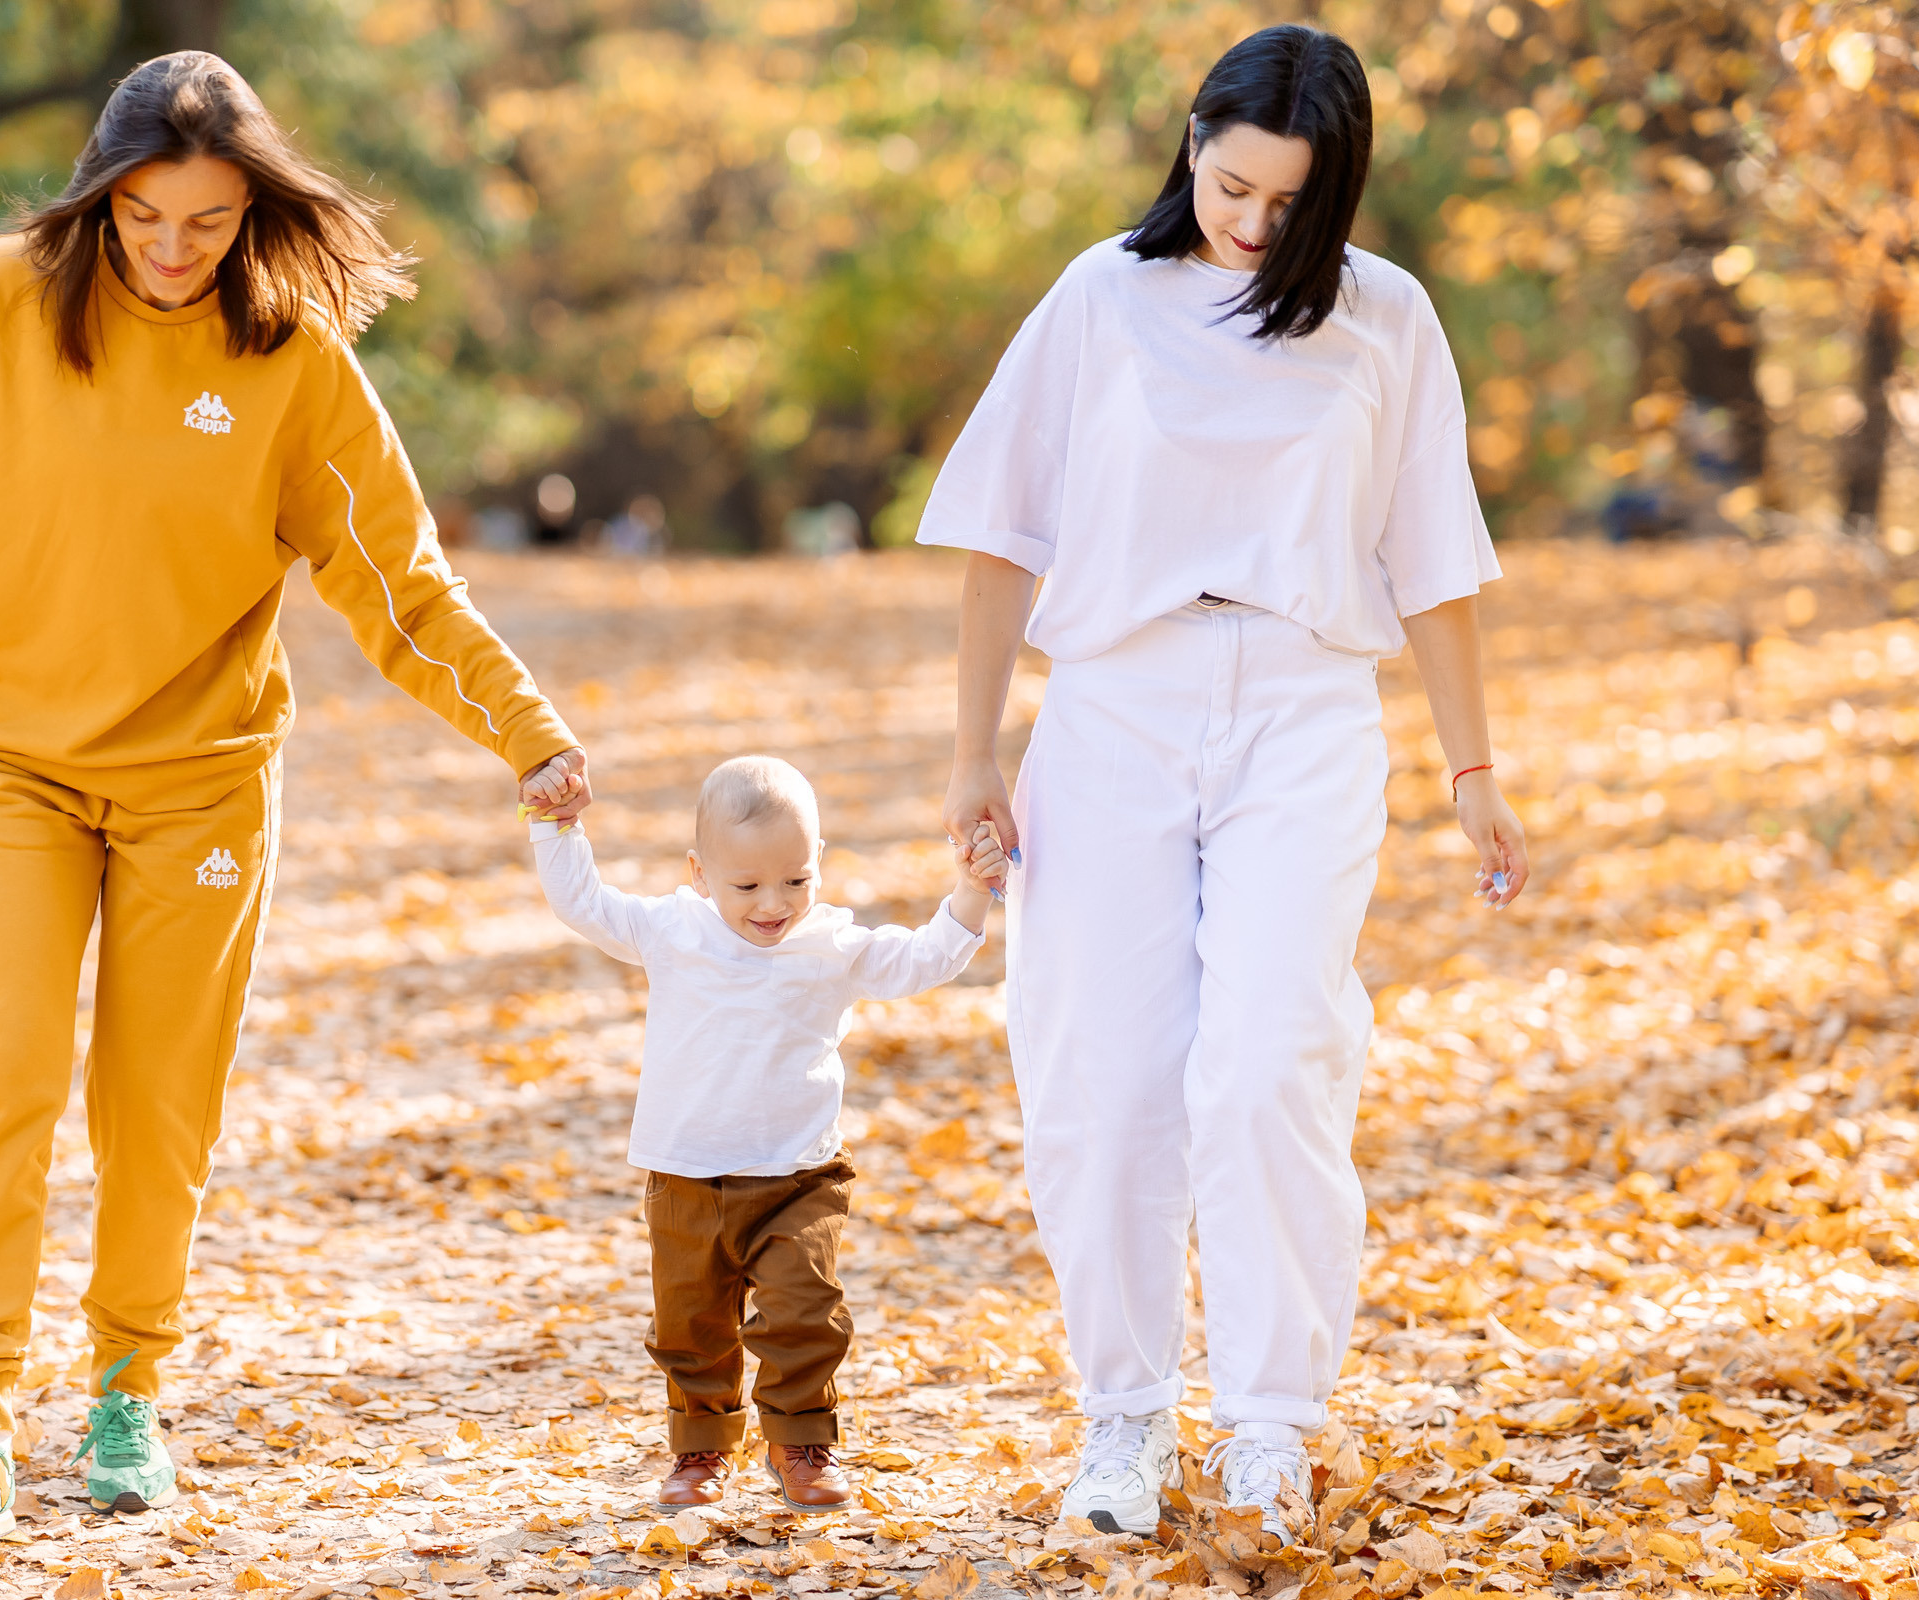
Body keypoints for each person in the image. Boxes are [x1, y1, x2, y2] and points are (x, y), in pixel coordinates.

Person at [0, 52, 591, 1552]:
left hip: (201, 784)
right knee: (5, 1071)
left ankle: (127, 1384)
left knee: (156, 1105)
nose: (175, 250)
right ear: (102, 195)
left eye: (210, 220)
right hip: (12, 762)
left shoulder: (297, 360)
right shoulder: (6, 296)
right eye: (146, 217)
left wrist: (527, 730)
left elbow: (398, 583)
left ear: (252, 211)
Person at [921, 24, 1531, 1543]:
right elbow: (1001, 532)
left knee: (1267, 1063)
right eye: (1231, 183)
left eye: (1286, 205)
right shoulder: (1100, 297)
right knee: (1105, 1076)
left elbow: (1434, 560)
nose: (1251, 224)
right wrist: (972, 753)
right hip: (1115, 704)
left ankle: (1271, 1419)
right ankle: (1123, 1417)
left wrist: (1474, 768)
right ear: (1193, 140)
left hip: (1306, 710)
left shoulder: (1386, 317)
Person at [527, 758, 1007, 1509]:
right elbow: (584, 902)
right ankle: (700, 1448)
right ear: (699, 872)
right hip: (687, 1174)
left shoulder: (831, 943)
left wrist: (972, 892)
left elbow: (922, 960)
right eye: (746, 886)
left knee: (804, 1312)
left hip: (799, 1174)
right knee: (692, 1326)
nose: (772, 904)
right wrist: (556, 825)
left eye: (795, 879)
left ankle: (801, 1441)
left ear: (819, 866)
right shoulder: (671, 929)